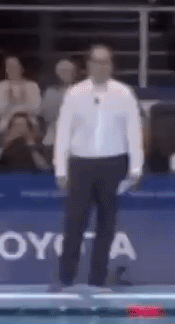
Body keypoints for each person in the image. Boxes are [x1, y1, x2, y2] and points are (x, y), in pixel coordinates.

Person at [52, 44, 143, 292]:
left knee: (106, 225)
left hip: (113, 164)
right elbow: (63, 132)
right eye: (96, 62)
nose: (101, 67)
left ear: (111, 65)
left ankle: (98, 280)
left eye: (106, 62)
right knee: (74, 224)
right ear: (89, 65)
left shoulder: (124, 94)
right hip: (81, 164)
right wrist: (60, 169)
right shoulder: (74, 93)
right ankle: (65, 279)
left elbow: (133, 132)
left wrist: (136, 167)